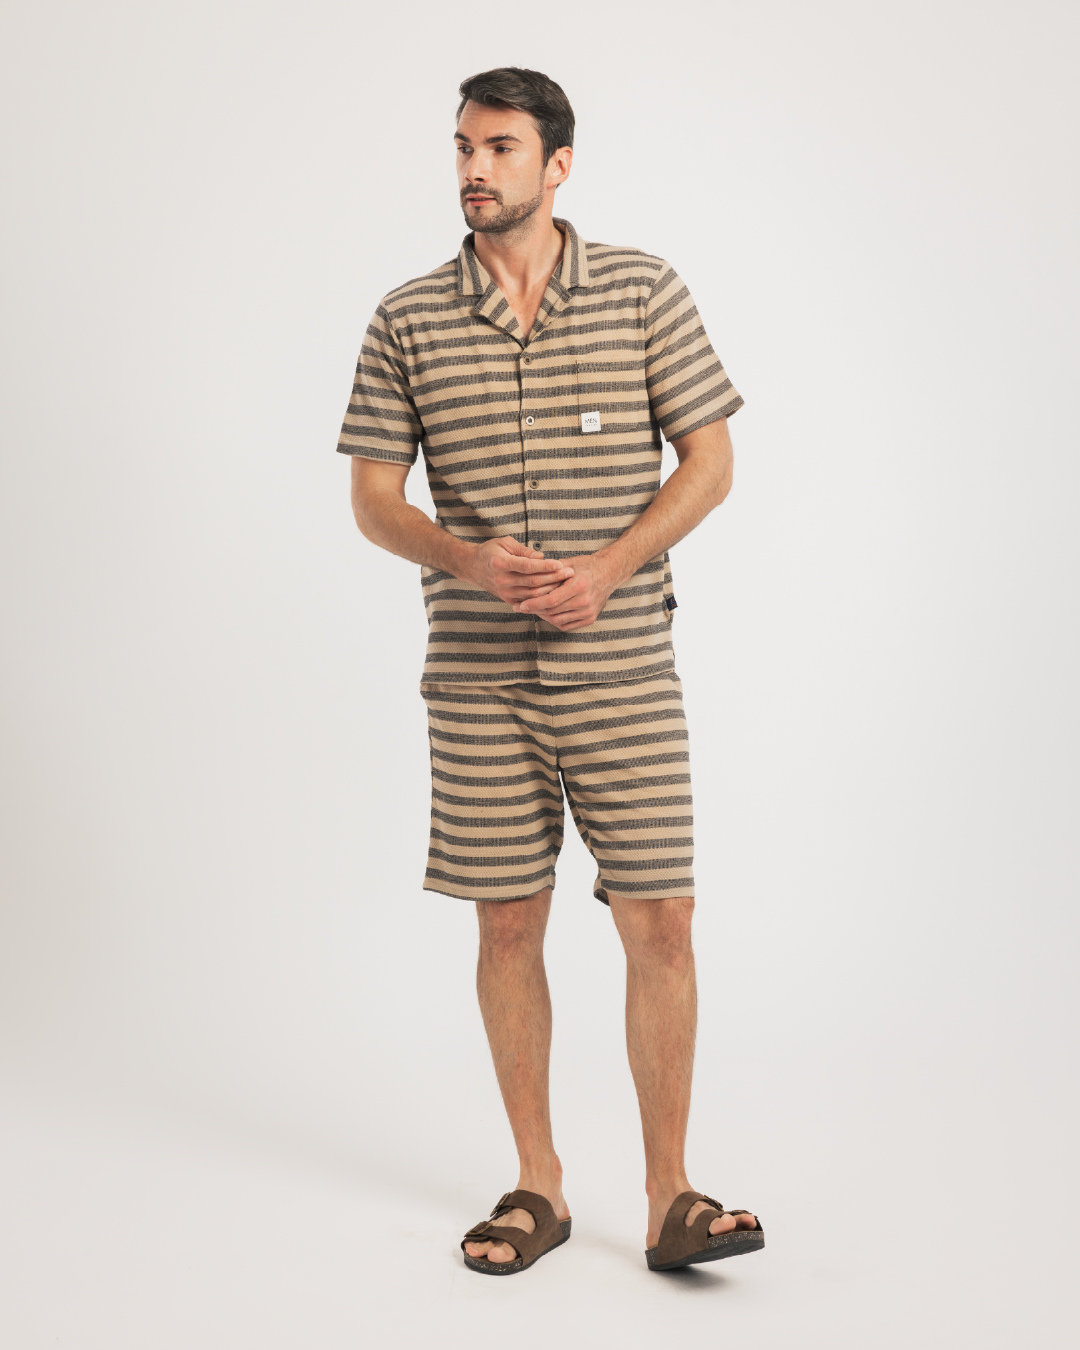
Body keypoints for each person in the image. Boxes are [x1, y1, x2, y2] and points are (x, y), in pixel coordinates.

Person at [338, 66, 763, 1276]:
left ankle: (672, 1196)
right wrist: (465, 559)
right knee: (508, 922)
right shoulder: (407, 317)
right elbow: (373, 500)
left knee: (662, 920)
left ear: (558, 164)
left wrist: (612, 566)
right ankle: (539, 1184)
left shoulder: (642, 290)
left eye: (501, 148)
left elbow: (710, 461)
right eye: (463, 147)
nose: (474, 169)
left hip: (623, 668)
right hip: (478, 680)